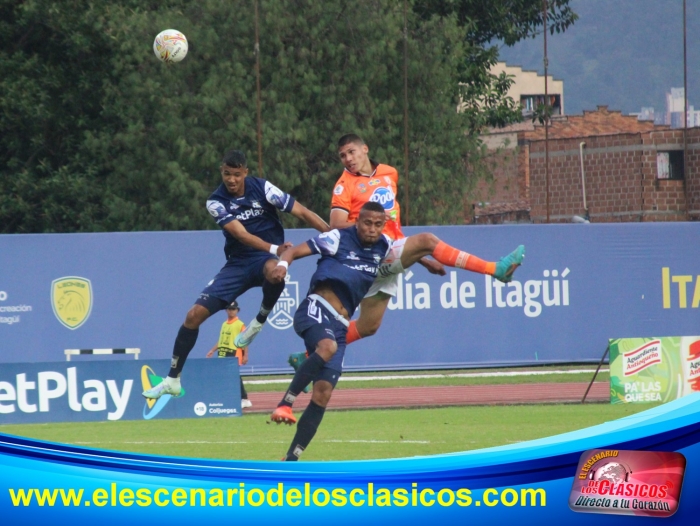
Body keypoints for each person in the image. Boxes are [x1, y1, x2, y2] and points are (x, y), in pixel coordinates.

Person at [286, 134, 525, 370]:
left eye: (351, 152)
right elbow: (337, 224)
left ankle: (306, 357)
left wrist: (423, 259)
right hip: (366, 253)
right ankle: (496, 269)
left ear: (365, 149)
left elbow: (393, 230)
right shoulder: (344, 184)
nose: (348, 159)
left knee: (368, 326)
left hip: (386, 251)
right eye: (342, 156)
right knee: (427, 240)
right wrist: (370, 227)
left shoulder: (389, 173)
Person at [143, 149, 330, 399]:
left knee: (275, 272)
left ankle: (258, 322)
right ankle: (172, 379)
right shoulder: (215, 201)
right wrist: (275, 248)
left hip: (265, 259)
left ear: (245, 172)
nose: (231, 179)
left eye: (237, 174)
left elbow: (303, 212)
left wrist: (333, 235)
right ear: (222, 172)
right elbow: (241, 234)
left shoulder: (263, 188)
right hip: (238, 264)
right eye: (227, 174)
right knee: (193, 316)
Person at [268, 202, 392, 461]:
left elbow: (409, 251)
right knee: (328, 347)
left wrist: (427, 262)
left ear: (384, 225)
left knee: (323, 393)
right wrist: (282, 266)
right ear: (357, 221)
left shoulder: (385, 246)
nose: (372, 229)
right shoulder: (336, 238)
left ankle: (290, 460)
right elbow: (293, 252)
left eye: (377, 224)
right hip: (316, 308)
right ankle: (285, 403)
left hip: (341, 325)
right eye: (367, 223)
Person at [205, 300, 252, 409]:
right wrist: (212, 350)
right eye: (229, 309)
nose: (231, 311)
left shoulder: (240, 324)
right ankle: (230, 398)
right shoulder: (224, 324)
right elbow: (221, 340)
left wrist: (245, 355)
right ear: (226, 310)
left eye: (233, 309)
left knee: (235, 376)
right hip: (223, 353)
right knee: (225, 377)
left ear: (237, 310)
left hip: (234, 353)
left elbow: (245, 340)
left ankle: (244, 399)